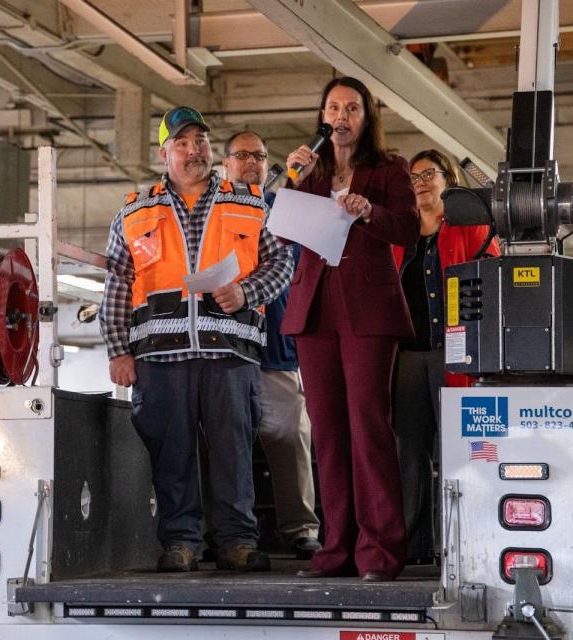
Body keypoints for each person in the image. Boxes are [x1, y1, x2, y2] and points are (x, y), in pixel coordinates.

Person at [101, 106, 294, 573]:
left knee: (234, 448)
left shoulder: (250, 203)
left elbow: (282, 263)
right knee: (172, 453)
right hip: (160, 357)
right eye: (183, 143)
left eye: (201, 142)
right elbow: (118, 284)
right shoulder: (134, 210)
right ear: (164, 153)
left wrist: (246, 291)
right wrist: (118, 350)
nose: (194, 151)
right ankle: (182, 542)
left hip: (230, 351)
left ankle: (236, 542)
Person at [281, 77, 419, 582]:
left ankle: (380, 552)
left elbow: (408, 228)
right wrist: (295, 179)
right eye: (333, 107)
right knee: (328, 435)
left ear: (366, 118)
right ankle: (335, 548)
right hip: (314, 312)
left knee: (368, 429)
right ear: (322, 116)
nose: (341, 116)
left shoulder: (389, 169)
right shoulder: (310, 168)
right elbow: (286, 226)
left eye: (352, 108)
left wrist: (369, 212)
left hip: (367, 312)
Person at [392, 149, 499, 564]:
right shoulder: (399, 236)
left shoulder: (471, 228)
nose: (419, 183)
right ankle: (415, 547)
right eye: (413, 177)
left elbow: (489, 279)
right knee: (409, 453)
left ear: (448, 180)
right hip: (406, 358)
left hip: (454, 357)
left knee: (462, 452)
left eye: (428, 174)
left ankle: (464, 545)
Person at [221, 130, 322, 560]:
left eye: (259, 156)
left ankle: (301, 529)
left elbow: (327, 243)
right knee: (224, 441)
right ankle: (222, 531)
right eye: (241, 155)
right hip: (224, 347)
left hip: (278, 346)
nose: (251, 162)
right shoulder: (213, 210)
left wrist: (311, 183)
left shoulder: (286, 208)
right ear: (225, 164)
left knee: (290, 437)